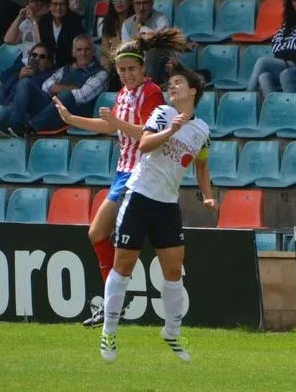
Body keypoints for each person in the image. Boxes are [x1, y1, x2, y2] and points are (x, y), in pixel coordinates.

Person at [53, 31, 190, 329]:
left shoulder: (151, 92)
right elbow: (110, 126)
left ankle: (120, 300)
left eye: (131, 69)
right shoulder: (123, 94)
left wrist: (116, 123)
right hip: (122, 174)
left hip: (142, 175)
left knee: (108, 234)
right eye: (121, 70)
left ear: (142, 69)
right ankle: (115, 299)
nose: (127, 75)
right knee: (98, 234)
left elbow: (146, 133)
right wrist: (72, 119)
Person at [98, 61, 215, 364]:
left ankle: (172, 332)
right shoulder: (163, 114)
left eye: (178, 83)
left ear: (193, 91)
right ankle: (109, 331)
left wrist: (208, 195)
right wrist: (171, 130)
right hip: (139, 197)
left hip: (167, 205)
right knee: (123, 266)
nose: (171, 87)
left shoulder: (202, 130)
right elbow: (145, 143)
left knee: (174, 271)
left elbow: (201, 164)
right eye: (170, 84)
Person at [5, 35, 108, 137]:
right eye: (79, 49)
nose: (83, 53)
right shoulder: (65, 69)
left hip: (73, 117)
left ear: (94, 51)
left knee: (66, 95)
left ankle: (30, 127)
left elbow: (81, 96)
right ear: (73, 53)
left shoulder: (101, 74)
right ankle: (15, 127)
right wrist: (72, 88)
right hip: (50, 112)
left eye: (87, 49)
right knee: (25, 82)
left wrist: (59, 88)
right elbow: (45, 86)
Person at [0, 43, 56, 135]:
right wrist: (18, 77)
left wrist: (32, 77)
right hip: (7, 106)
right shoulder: (21, 71)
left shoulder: (51, 76)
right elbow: (5, 89)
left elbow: (41, 96)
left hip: (23, 114)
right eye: (34, 55)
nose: (37, 59)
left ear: (48, 62)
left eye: (42, 57)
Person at [120, 0, 171, 82]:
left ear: (152, 3)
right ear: (133, 4)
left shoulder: (161, 19)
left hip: (159, 66)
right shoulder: (126, 24)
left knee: (152, 52)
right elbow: (128, 49)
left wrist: (139, 26)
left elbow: (155, 42)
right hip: (136, 63)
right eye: (138, 3)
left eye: (145, 3)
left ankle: (149, 87)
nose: (141, 8)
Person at [35, 0, 85, 67]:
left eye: (62, 4)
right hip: (48, 66)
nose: (58, 8)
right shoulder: (44, 20)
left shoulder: (75, 21)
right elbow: (44, 45)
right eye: (55, 4)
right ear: (49, 6)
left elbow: (78, 49)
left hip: (69, 66)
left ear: (67, 5)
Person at [4, 0, 52, 64]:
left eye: (38, 1)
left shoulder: (50, 23)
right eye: (31, 1)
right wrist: (19, 18)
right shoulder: (26, 22)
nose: (35, 5)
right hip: (24, 63)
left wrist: (34, 21)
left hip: (41, 65)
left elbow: (41, 43)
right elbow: (8, 40)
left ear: (47, 5)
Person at [99, 0, 134, 91]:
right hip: (114, 66)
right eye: (114, 0)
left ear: (130, 2)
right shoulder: (109, 23)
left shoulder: (136, 21)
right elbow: (105, 52)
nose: (118, 2)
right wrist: (107, 69)